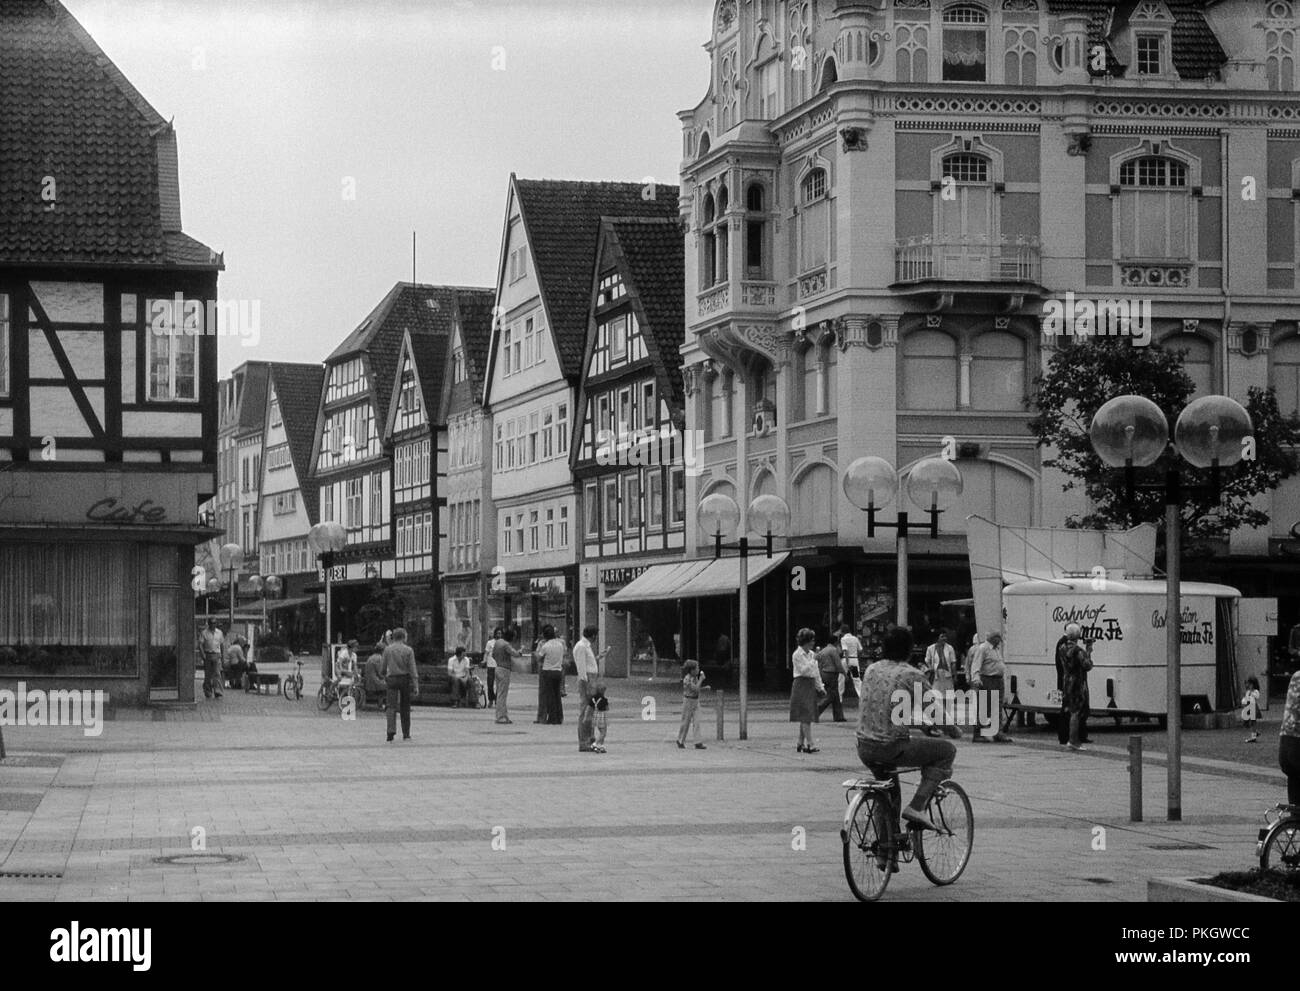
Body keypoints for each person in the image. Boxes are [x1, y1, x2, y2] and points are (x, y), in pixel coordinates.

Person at [856, 626, 957, 833]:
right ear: (910, 650)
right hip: (891, 746)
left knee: (888, 790)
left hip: (864, 746)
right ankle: (917, 806)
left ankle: (886, 851)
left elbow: (886, 711)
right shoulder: (911, 674)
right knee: (947, 751)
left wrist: (921, 725)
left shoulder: (871, 669)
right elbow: (936, 714)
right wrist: (954, 730)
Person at [970, 631, 1012, 743]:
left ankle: (997, 732)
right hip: (987, 679)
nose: (1000, 642)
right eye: (999, 640)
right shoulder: (983, 648)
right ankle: (978, 733)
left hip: (998, 680)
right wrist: (976, 678)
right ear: (994, 639)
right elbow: (976, 664)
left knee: (997, 707)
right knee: (984, 707)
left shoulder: (996, 649)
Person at [574, 626, 609, 753]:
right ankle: (584, 741)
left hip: (590, 678)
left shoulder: (585, 646)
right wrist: (587, 685)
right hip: (587, 680)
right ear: (593, 635)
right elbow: (582, 668)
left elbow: (588, 662)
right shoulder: (582, 646)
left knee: (591, 710)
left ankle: (590, 738)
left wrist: (599, 657)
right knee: (585, 711)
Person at [790, 628, 825, 753]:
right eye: (811, 640)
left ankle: (800, 742)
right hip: (801, 684)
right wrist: (813, 660)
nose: (813, 642)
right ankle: (810, 743)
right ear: (806, 641)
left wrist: (820, 686)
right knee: (806, 716)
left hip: (809, 685)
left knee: (806, 716)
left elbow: (815, 673)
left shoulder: (811, 654)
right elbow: (804, 670)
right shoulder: (797, 655)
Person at [381, 628, 419, 743]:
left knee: (391, 706)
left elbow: (383, 667)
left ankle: (390, 732)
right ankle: (406, 734)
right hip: (404, 679)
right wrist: (416, 684)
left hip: (392, 679)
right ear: (403, 637)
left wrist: (384, 675)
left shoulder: (388, 649)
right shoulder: (408, 650)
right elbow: (413, 669)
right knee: (405, 707)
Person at [1059, 625, 1093, 751]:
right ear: (1078, 635)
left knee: (1070, 710)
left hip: (1067, 681)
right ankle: (1073, 740)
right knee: (1076, 712)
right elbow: (1087, 665)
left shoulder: (1062, 648)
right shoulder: (1078, 651)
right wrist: (1088, 651)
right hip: (1077, 682)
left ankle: (1071, 739)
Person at [535, 625, 567, 725]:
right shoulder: (560, 644)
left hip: (547, 671)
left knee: (550, 696)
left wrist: (535, 654)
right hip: (558, 671)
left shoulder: (545, 646)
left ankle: (552, 718)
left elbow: (539, 658)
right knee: (557, 695)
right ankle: (559, 716)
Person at [493, 628, 522, 725]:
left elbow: (493, 655)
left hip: (497, 667)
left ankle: (503, 715)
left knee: (499, 693)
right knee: (502, 694)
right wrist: (520, 652)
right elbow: (515, 653)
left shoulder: (498, 642)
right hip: (505, 669)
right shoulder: (506, 645)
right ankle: (501, 717)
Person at [816, 632, 847, 722]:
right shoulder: (833, 650)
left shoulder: (823, 650)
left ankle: (839, 716)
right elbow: (838, 664)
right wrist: (844, 674)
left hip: (824, 673)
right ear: (835, 642)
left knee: (836, 695)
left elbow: (818, 662)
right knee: (831, 695)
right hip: (832, 674)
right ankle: (816, 711)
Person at [677, 660, 707, 750]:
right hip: (688, 701)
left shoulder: (694, 677)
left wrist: (704, 688)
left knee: (697, 721)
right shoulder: (687, 679)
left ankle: (698, 742)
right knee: (686, 722)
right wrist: (701, 679)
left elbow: (697, 688)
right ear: (691, 670)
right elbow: (695, 689)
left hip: (696, 701)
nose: (698, 669)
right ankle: (680, 740)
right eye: (696, 668)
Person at [1280, 669, 1300, 805]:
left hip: (1285, 745)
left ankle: (1294, 823)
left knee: (1296, 806)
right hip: (1298, 746)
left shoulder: (1296, 676)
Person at [199, 619, 225, 699]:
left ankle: (218, 691)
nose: (213, 625)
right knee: (208, 675)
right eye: (211, 623)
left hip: (216, 654)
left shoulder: (219, 633)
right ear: (209, 624)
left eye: (214, 623)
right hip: (208, 654)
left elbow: (222, 644)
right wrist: (203, 654)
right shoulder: (204, 633)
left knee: (217, 673)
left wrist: (222, 655)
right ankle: (208, 691)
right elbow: (200, 644)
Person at [484, 627, 502, 705]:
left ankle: (497, 700)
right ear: (495, 634)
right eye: (498, 633)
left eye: (500, 633)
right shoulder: (490, 643)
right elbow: (486, 653)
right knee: (490, 684)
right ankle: (491, 699)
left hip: (499, 666)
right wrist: (484, 660)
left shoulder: (503, 643)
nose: (499, 635)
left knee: (499, 684)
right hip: (490, 665)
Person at [1242, 676, 1262, 744]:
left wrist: (1252, 693)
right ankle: (1255, 732)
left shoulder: (1255, 691)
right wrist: (1244, 702)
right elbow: (1246, 698)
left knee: (1253, 721)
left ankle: (1253, 736)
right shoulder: (1247, 692)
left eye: (1250, 684)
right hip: (1248, 707)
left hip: (1253, 707)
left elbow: (1257, 696)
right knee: (1247, 722)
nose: (1248, 685)